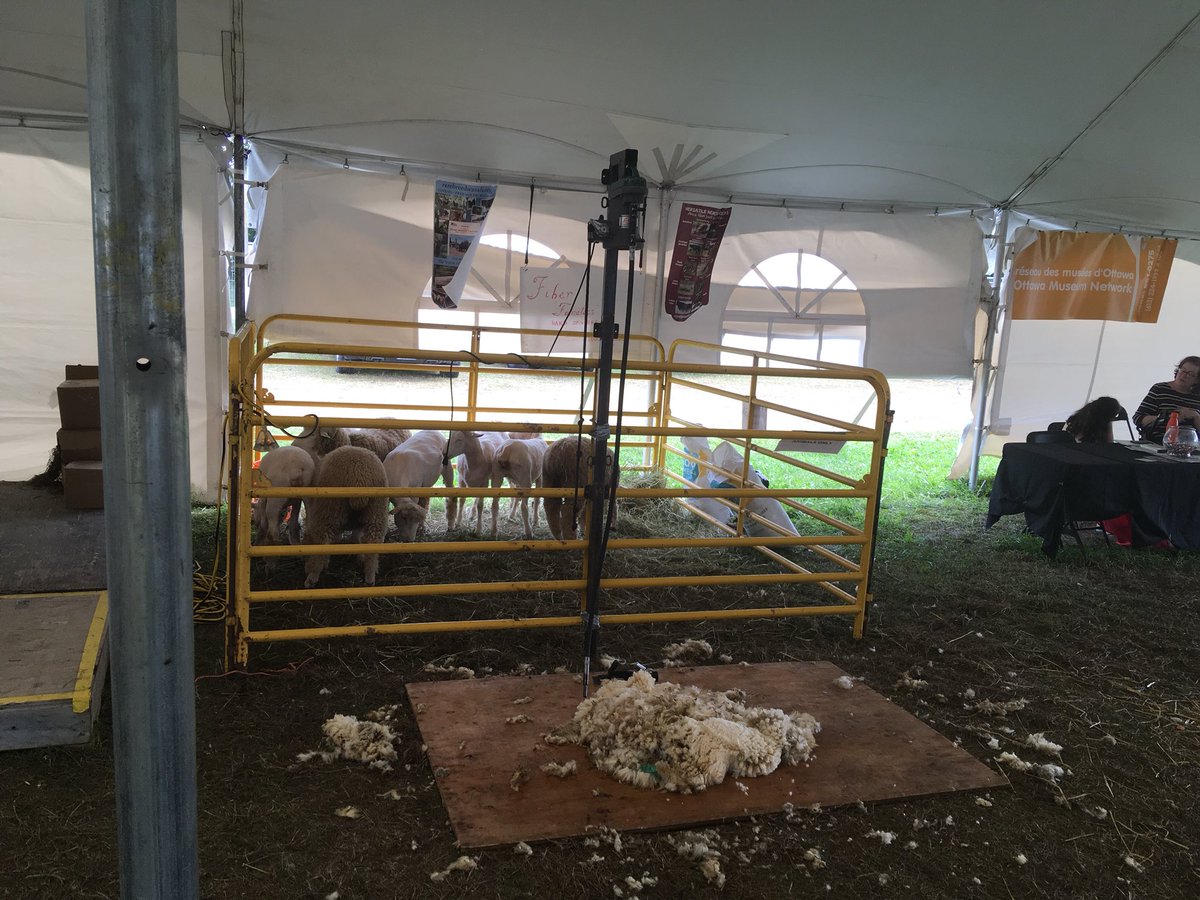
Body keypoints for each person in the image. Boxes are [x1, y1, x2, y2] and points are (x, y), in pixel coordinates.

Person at [1133, 356, 1200, 443]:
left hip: (1189, 444)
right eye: (1182, 370)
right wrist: (1167, 417)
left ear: (1197, 380)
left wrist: (1195, 416)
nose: (1183, 375)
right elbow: (1138, 418)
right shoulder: (1160, 389)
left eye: (1190, 374)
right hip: (1157, 442)